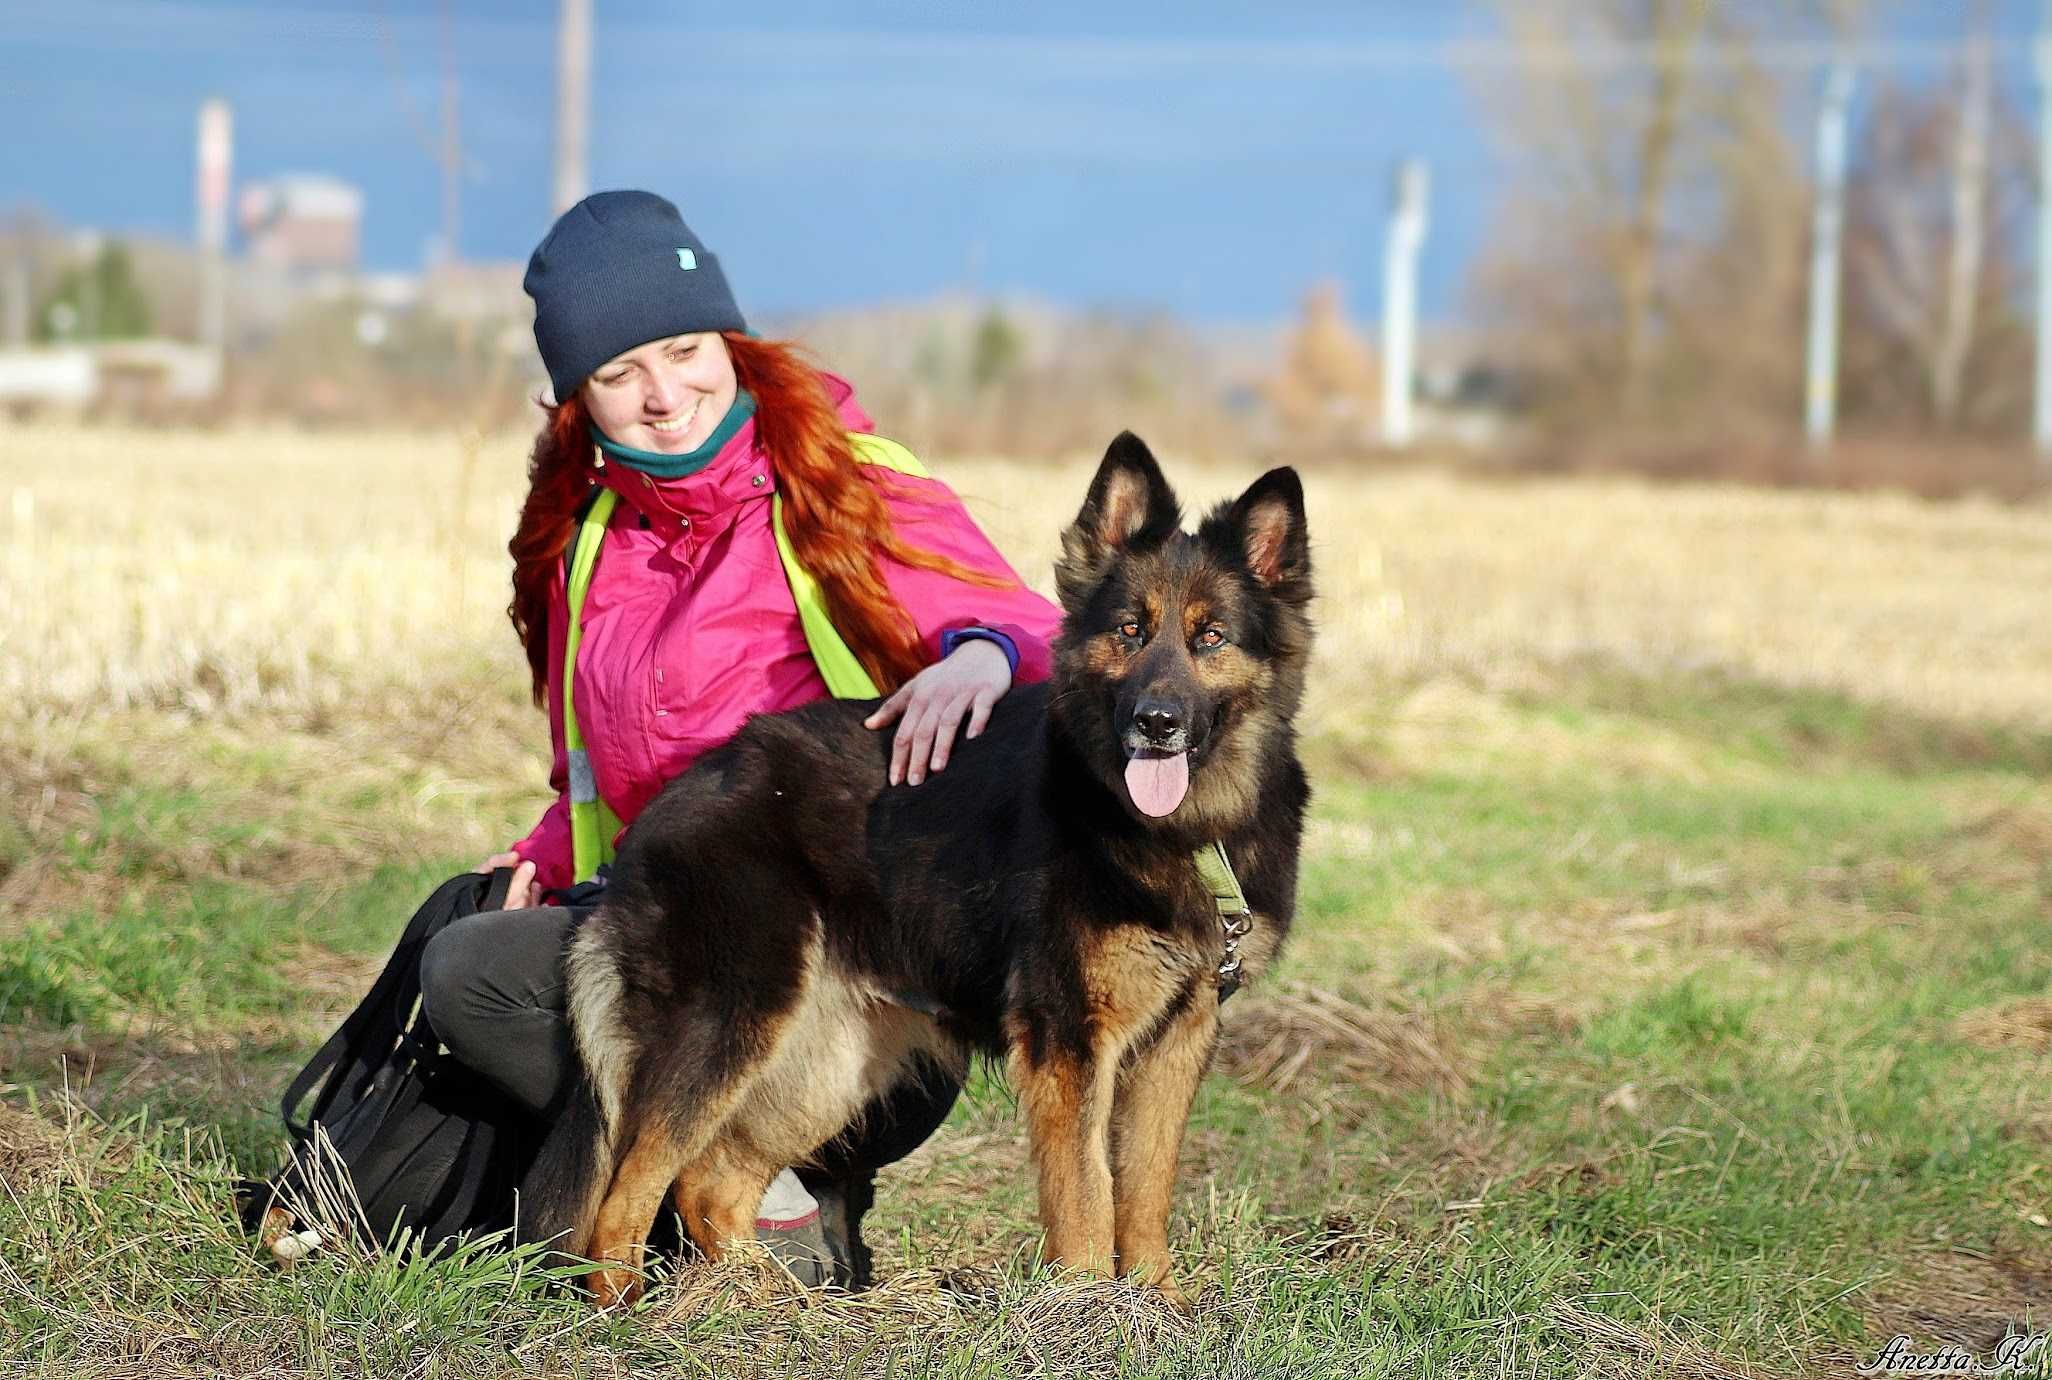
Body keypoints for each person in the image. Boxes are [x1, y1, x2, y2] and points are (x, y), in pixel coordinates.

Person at [415, 190, 1061, 1284]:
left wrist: (982, 657)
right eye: (621, 374)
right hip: (679, 910)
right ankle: (689, 1188)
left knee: (698, 994)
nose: (667, 396)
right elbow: (598, 764)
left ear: (731, 340)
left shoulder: (844, 480)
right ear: (572, 397)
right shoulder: (588, 540)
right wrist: (546, 855)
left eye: (684, 348)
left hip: (850, 948)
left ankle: (776, 1191)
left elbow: (1043, 634)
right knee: (471, 972)